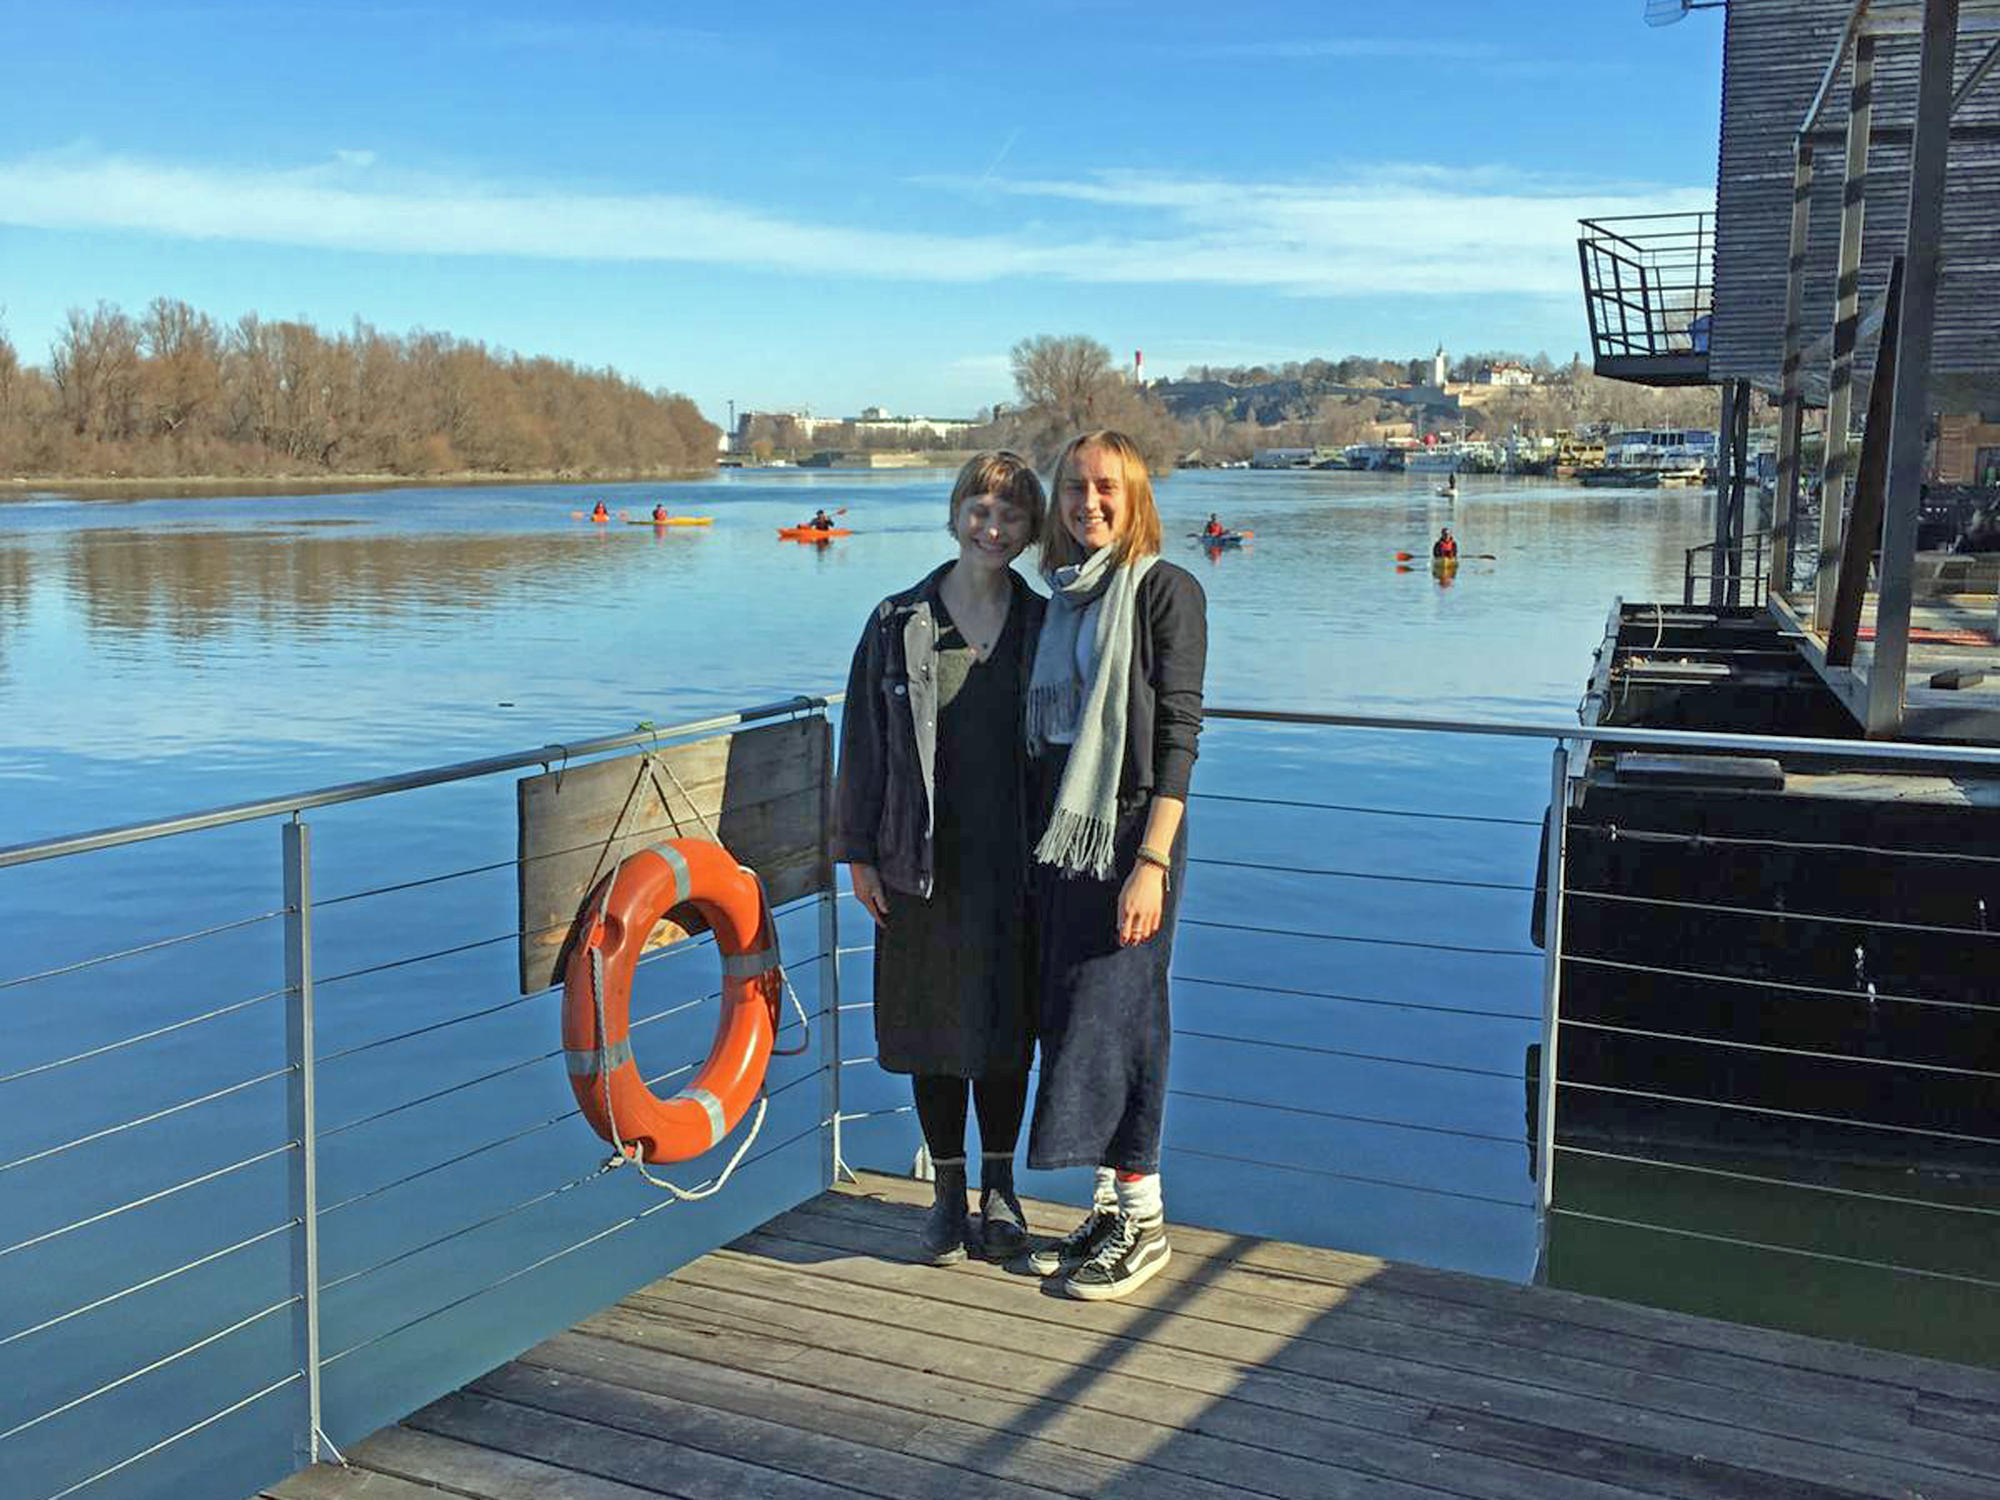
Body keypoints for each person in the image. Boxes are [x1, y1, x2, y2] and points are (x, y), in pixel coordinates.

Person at [831, 453, 1048, 1266]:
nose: (993, 527)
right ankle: (947, 1192)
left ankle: (1001, 1188)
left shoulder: (1043, 622)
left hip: (1017, 862)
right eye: (979, 509)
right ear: (955, 513)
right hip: (917, 858)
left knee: (1004, 1026)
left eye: (1012, 515)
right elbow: (862, 746)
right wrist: (857, 855)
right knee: (930, 1025)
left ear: (1029, 532)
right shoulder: (898, 622)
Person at [1024, 429, 1207, 1301]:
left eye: (1105, 489)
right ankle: (1109, 1203)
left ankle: (1145, 1219)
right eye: (1072, 489)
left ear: (1135, 498)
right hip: (1067, 833)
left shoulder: (1166, 590)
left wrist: (1151, 863)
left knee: (1126, 1017)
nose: (1087, 503)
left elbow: (1179, 736)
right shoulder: (1061, 599)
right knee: (1079, 1018)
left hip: (1131, 831)